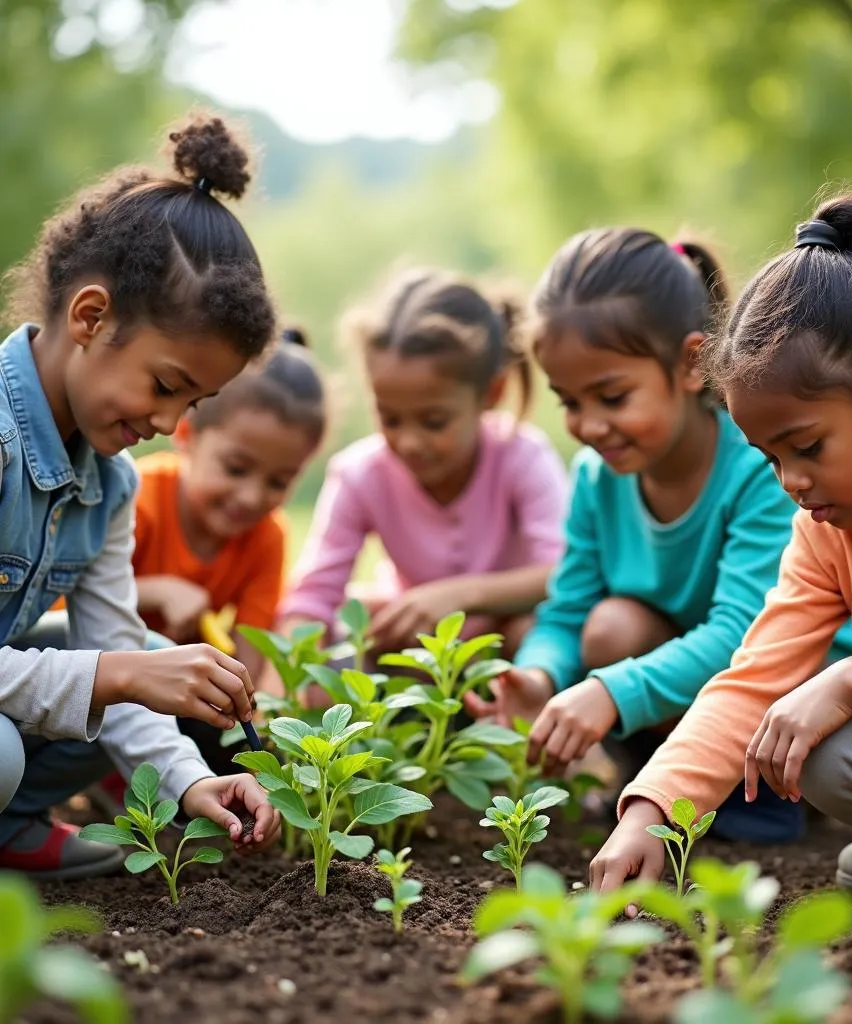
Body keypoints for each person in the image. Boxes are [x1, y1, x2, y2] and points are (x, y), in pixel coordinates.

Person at [591, 196, 852, 900]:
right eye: (770, 458)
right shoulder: (829, 525)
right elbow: (755, 675)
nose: (792, 481)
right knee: (811, 742)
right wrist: (653, 810)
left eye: (808, 447)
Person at [467, 229, 852, 843]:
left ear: (690, 365)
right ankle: (666, 780)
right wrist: (537, 676)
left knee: (627, 649)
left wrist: (610, 692)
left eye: (612, 396)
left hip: (793, 689)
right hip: (688, 686)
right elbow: (567, 611)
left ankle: (758, 793)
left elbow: (744, 639)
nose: (589, 425)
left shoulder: (758, 466)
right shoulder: (598, 478)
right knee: (610, 626)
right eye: (568, 401)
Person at [0, 112, 282, 879]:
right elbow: (111, 675)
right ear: (90, 317)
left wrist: (194, 781)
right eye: (164, 386)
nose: (165, 423)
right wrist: (117, 675)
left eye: (190, 405)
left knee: (149, 658)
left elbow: (120, 654)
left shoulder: (108, 484)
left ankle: (13, 826)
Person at [279, 269, 568, 658]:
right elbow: (313, 597)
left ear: (491, 393)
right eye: (390, 418)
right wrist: (277, 694)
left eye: (434, 421)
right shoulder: (360, 474)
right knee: (353, 626)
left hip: (502, 646)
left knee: (530, 630)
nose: (410, 442)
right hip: (415, 652)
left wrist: (460, 595)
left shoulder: (521, 456)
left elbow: (562, 572)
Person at [130, 326, 325, 772]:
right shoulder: (139, 500)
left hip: (177, 694)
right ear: (187, 432)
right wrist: (156, 590)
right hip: (106, 679)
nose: (252, 497)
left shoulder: (266, 536)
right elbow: (67, 612)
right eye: (236, 468)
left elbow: (248, 654)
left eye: (279, 481)